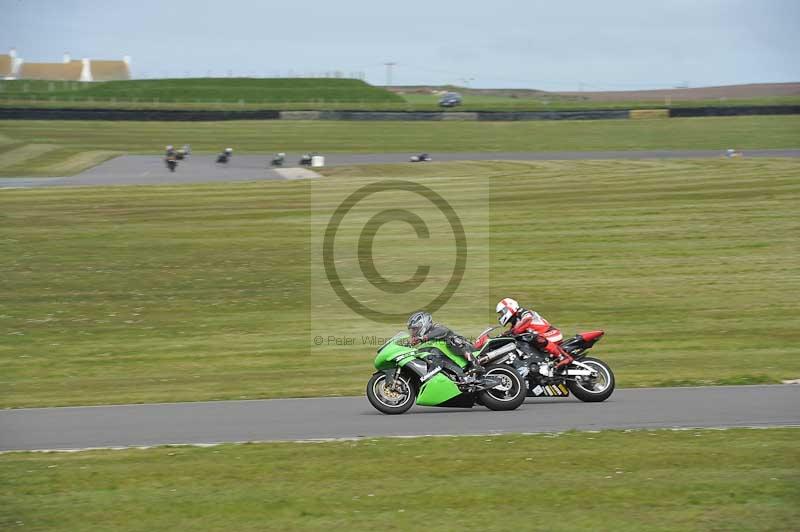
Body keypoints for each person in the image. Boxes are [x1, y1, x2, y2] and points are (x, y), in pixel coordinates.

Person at [495, 297, 574, 369]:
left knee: (532, 337)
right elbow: (511, 334)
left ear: (509, 308)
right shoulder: (515, 323)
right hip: (544, 336)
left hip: (551, 334)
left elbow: (527, 319)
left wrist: (513, 332)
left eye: (502, 313)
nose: (501, 315)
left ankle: (563, 357)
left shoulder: (522, 312)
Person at [406, 311, 483, 374]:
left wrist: (423, 337)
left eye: (415, 329)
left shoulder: (436, 328)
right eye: (412, 330)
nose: (413, 332)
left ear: (423, 325)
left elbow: (443, 331)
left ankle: (475, 364)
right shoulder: (425, 341)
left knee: (453, 340)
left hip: (467, 347)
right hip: (450, 358)